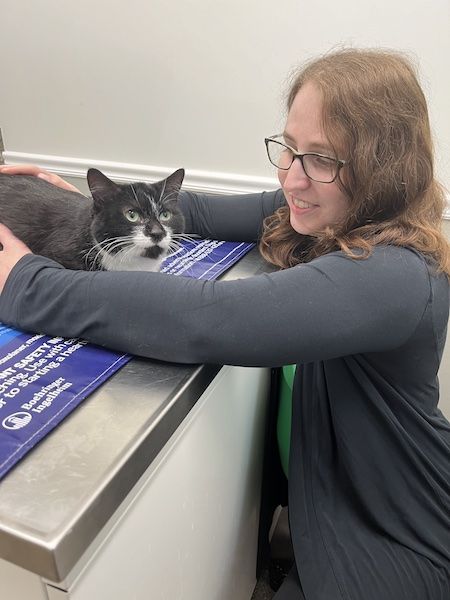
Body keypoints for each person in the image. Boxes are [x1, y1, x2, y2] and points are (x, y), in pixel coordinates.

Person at [0, 48, 449, 600]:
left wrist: (23, 281)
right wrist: (95, 204)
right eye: (289, 148)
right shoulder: (326, 214)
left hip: (392, 543)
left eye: (323, 158)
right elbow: (200, 209)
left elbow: (208, 319)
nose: (293, 177)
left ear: (385, 168)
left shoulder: (396, 273)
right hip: (323, 513)